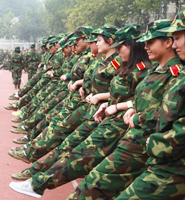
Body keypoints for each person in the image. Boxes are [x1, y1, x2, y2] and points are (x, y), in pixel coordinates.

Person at [67, 19, 183, 200]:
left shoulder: (171, 73)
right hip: (142, 143)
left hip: (158, 152)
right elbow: (144, 100)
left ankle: (38, 180)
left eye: (151, 42)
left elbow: (166, 114)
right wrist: (128, 107)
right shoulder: (157, 70)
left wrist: (136, 118)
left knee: (94, 182)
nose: (146, 47)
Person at [115, 11, 185, 200]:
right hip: (162, 155)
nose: (176, 43)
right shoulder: (169, 71)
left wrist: (156, 142)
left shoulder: (175, 72)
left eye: (178, 38)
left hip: (170, 161)